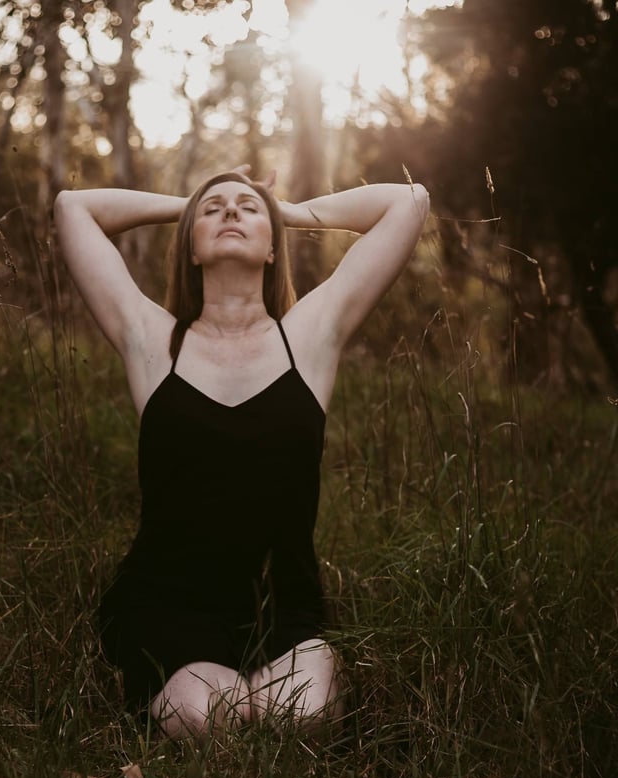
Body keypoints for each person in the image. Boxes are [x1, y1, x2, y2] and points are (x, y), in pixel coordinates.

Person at [54, 166, 429, 739]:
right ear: (192, 249)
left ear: (274, 247)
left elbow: (408, 201)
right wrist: (191, 199)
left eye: (247, 208)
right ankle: (213, 684)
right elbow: (73, 207)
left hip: (284, 607)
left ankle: (262, 676)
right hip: (167, 604)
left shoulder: (308, 338)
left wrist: (288, 210)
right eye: (215, 210)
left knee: (306, 718)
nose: (231, 211)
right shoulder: (155, 343)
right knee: (209, 721)